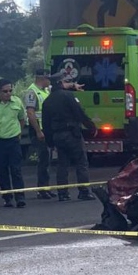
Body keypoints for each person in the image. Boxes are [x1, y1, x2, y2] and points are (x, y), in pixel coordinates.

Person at [41, 74, 97, 202]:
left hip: (57, 136)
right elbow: (79, 113)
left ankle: (63, 193)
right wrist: (91, 127)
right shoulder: (68, 96)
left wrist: (50, 142)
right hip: (72, 134)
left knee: (62, 164)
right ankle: (83, 191)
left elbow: (46, 124)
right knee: (81, 162)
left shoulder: (47, 101)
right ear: (61, 82)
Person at [0, 78, 27, 207]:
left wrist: (18, 133)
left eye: (10, 90)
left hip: (13, 140)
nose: (8, 93)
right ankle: (7, 198)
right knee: (1, 170)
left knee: (16, 170)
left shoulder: (17, 102)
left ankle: (20, 197)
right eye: (5, 91)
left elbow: (22, 119)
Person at [22, 70, 52, 199]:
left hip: (45, 130)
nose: (49, 81)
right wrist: (38, 131)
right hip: (38, 131)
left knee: (47, 160)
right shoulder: (32, 91)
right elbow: (30, 113)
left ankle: (46, 187)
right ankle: (42, 189)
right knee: (43, 160)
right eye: (48, 79)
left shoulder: (45, 91)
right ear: (42, 78)